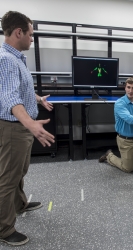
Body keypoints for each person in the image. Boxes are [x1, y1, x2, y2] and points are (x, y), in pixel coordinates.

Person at [0, 11, 55, 246]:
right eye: (31, 34)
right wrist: (31, 123)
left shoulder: (16, 58)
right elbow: (10, 97)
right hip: (14, 128)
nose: (32, 38)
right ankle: (4, 228)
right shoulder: (6, 59)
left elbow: (19, 89)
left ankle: (19, 204)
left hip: (19, 127)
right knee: (8, 178)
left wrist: (37, 99)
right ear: (18, 32)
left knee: (19, 172)